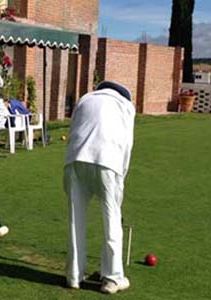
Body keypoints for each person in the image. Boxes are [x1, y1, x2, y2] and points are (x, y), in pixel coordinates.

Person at [64, 81, 135, 294]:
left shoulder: (85, 99)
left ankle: (73, 276)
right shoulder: (125, 106)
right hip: (108, 162)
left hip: (75, 160)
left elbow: (73, 132)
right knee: (112, 219)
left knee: (76, 220)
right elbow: (127, 144)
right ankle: (112, 279)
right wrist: (121, 176)